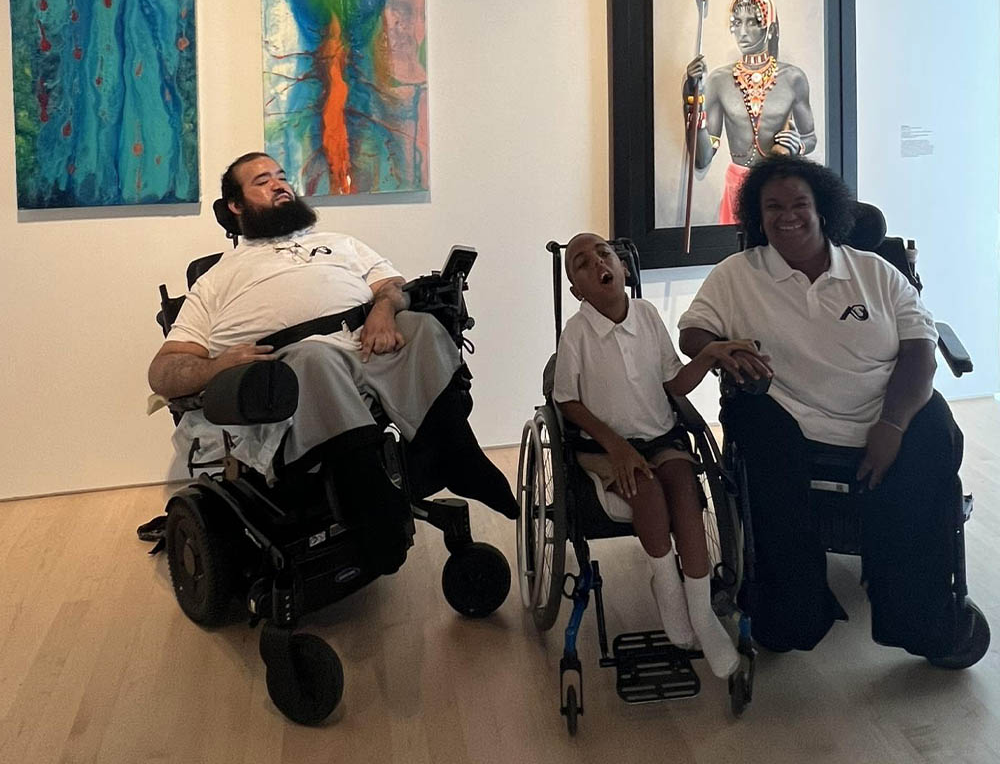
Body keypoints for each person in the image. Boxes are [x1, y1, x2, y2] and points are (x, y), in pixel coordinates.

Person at [678, 156, 970, 657]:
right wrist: (718, 348)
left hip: (886, 413)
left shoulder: (876, 272)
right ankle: (794, 608)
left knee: (934, 437)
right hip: (791, 420)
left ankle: (916, 615)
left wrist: (892, 425)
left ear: (823, 210)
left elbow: (921, 351)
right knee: (751, 422)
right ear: (757, 216)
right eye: (773, 207)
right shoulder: (736, 275)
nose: (787, 215)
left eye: (799, 204)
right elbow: (692, 332)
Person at [148, 151, 518, 522]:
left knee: (420, 326)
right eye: (262, 181)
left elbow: (393, 285)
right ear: (236, 205)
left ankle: (459, 457)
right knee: (315, 357)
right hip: (295, 364)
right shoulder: (215, 279)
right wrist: (215, 366)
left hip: (366, 342)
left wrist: (383, 310)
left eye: (281, 177)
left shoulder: (341, 243)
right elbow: (163, 371)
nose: (279, 185)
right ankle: (370, 498)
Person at [552, 232, 772, 678]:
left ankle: (701, 612)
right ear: (577, 291)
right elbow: (566, 401)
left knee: (686, 493)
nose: (597, 263)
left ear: (622, 267)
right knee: (648, 493)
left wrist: (709, 354)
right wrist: (616, 447)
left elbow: (674, 384)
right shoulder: (577, 331)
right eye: (582, 263)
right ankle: (667, 587)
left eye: (603, 253)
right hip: (604, 446)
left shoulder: (648, 315)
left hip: (659, 435)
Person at [683, 0, 817, 224]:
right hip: (736, 189)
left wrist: (798, 145)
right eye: (737, 22)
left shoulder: (793, 78)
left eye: (752, 22)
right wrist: (694, 95)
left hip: (779, 187)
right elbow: (703, 158)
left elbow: (810, 137)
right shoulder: (719, 80)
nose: (743, 32)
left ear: (769, 28)